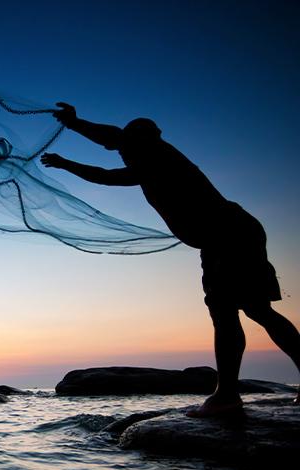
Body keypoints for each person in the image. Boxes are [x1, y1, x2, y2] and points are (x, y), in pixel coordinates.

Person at [41, 102, 300, 416]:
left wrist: (66, 163)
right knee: (253, 310)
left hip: (228, 235)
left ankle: (227, 395)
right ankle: (228, 393)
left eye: (127, 146)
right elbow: (112, 137)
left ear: (145, 141)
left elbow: (109, 176)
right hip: (228, 235)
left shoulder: (156, 158)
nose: (120, 150)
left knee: (232, 312)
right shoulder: (146, 149)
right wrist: (75, 123)